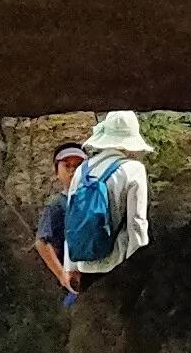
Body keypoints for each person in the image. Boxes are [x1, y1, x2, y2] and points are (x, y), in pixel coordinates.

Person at [53, 111, 155, 293]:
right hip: (116, 263)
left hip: (84, 265)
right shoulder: (133, 169)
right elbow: (137, 224)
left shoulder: (82, 170)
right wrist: (140, 265)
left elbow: (71, 221)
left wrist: (71, 267)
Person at [31, 139, 89, 298]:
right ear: (57, 172)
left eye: (77, 166)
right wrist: (62, 275)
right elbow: (42, 242)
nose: (72, 171)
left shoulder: (94, 200)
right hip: (72, 280)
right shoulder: (56, 205)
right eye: (67, 166)